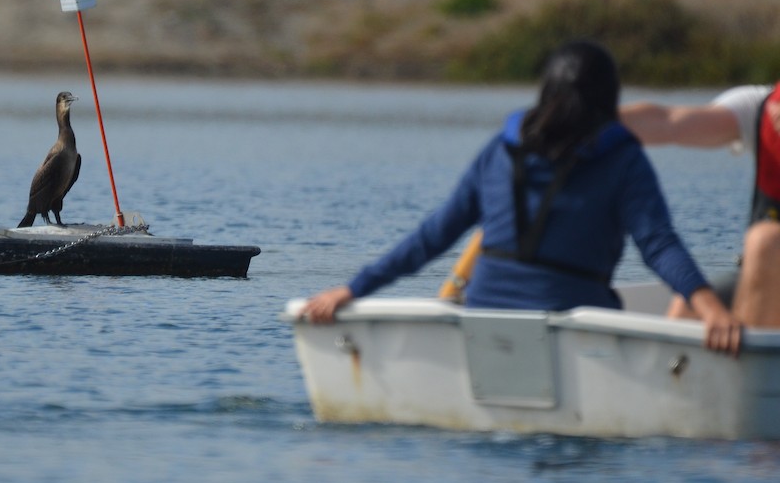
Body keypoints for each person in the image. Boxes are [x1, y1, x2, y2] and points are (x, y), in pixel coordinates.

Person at [301, 39, 742, 355]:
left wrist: (353, 289)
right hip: (574, 322)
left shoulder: (501, 150)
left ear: (545, 93)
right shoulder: (624, 160)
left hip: (485, 315)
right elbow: (659, 245)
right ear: (610, 99)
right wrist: (711, 310)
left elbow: (434, 235)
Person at [621, 84, 780, 328]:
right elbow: (669, 122)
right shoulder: (761, 105)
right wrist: (587, 122)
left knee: (766, 240)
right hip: (763, 273)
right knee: (688, 307)